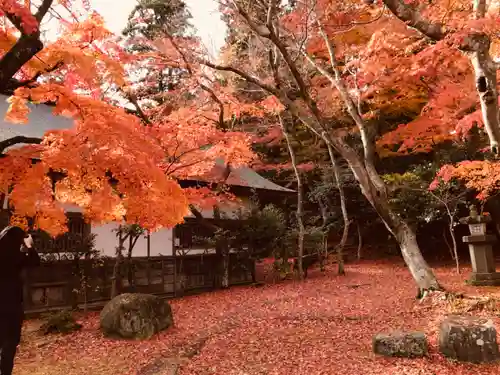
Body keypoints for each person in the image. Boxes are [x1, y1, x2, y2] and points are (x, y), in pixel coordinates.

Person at [0, 226, 40, 375]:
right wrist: (29, 246)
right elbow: (35, 261)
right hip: (12, 307)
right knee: (9, 344)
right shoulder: (16, 257)